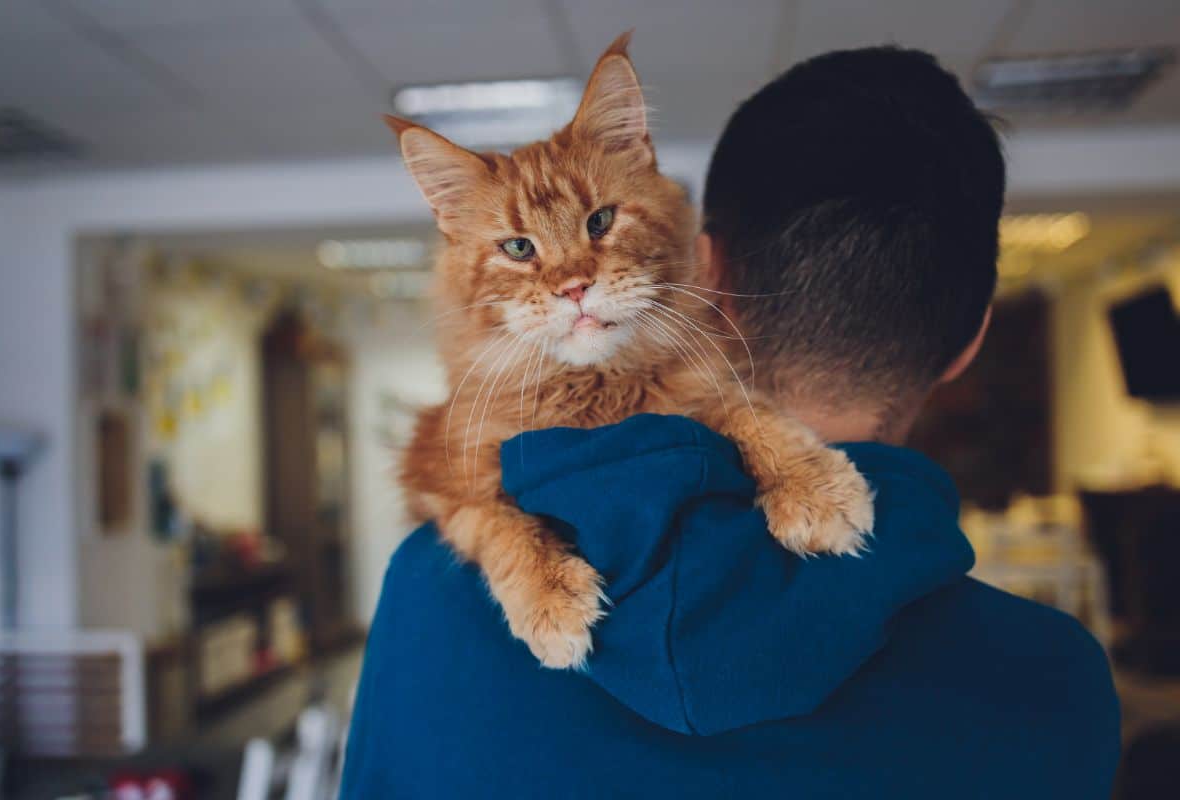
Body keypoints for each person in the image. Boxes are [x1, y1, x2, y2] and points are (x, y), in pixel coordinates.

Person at [339, 47, 1120, 799]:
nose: (573, 279)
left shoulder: (426, 598)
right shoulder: (1063, 683)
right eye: (523, 250)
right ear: (973, 335)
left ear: (707, 270)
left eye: (600, 226)